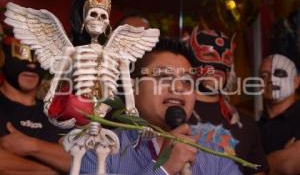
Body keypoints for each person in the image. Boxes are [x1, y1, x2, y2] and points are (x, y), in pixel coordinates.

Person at [80, 38, 242, 174]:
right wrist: (163, 168)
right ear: (132, 87)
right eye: (164, 76)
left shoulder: (216, 157)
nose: (178, 88)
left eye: (187, 81)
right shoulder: (99, 151)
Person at [188, 27, 268, 175]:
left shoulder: (245, 124)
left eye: (226, 58)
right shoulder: (174, 115)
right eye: (208, 55)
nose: (219, 65)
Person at [0, 36, 71, 174]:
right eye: (21, 52)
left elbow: (79, 161)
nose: (31, 64)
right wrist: (48, 171)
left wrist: (30, 145)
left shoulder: (53, 113)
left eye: (37, 56)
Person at [258, 54, 300, 175]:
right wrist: (275, 163)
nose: (271, 80)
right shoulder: (251, 128)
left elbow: (288, 165)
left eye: (279, 74)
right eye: (264, 76)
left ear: (296, 81)